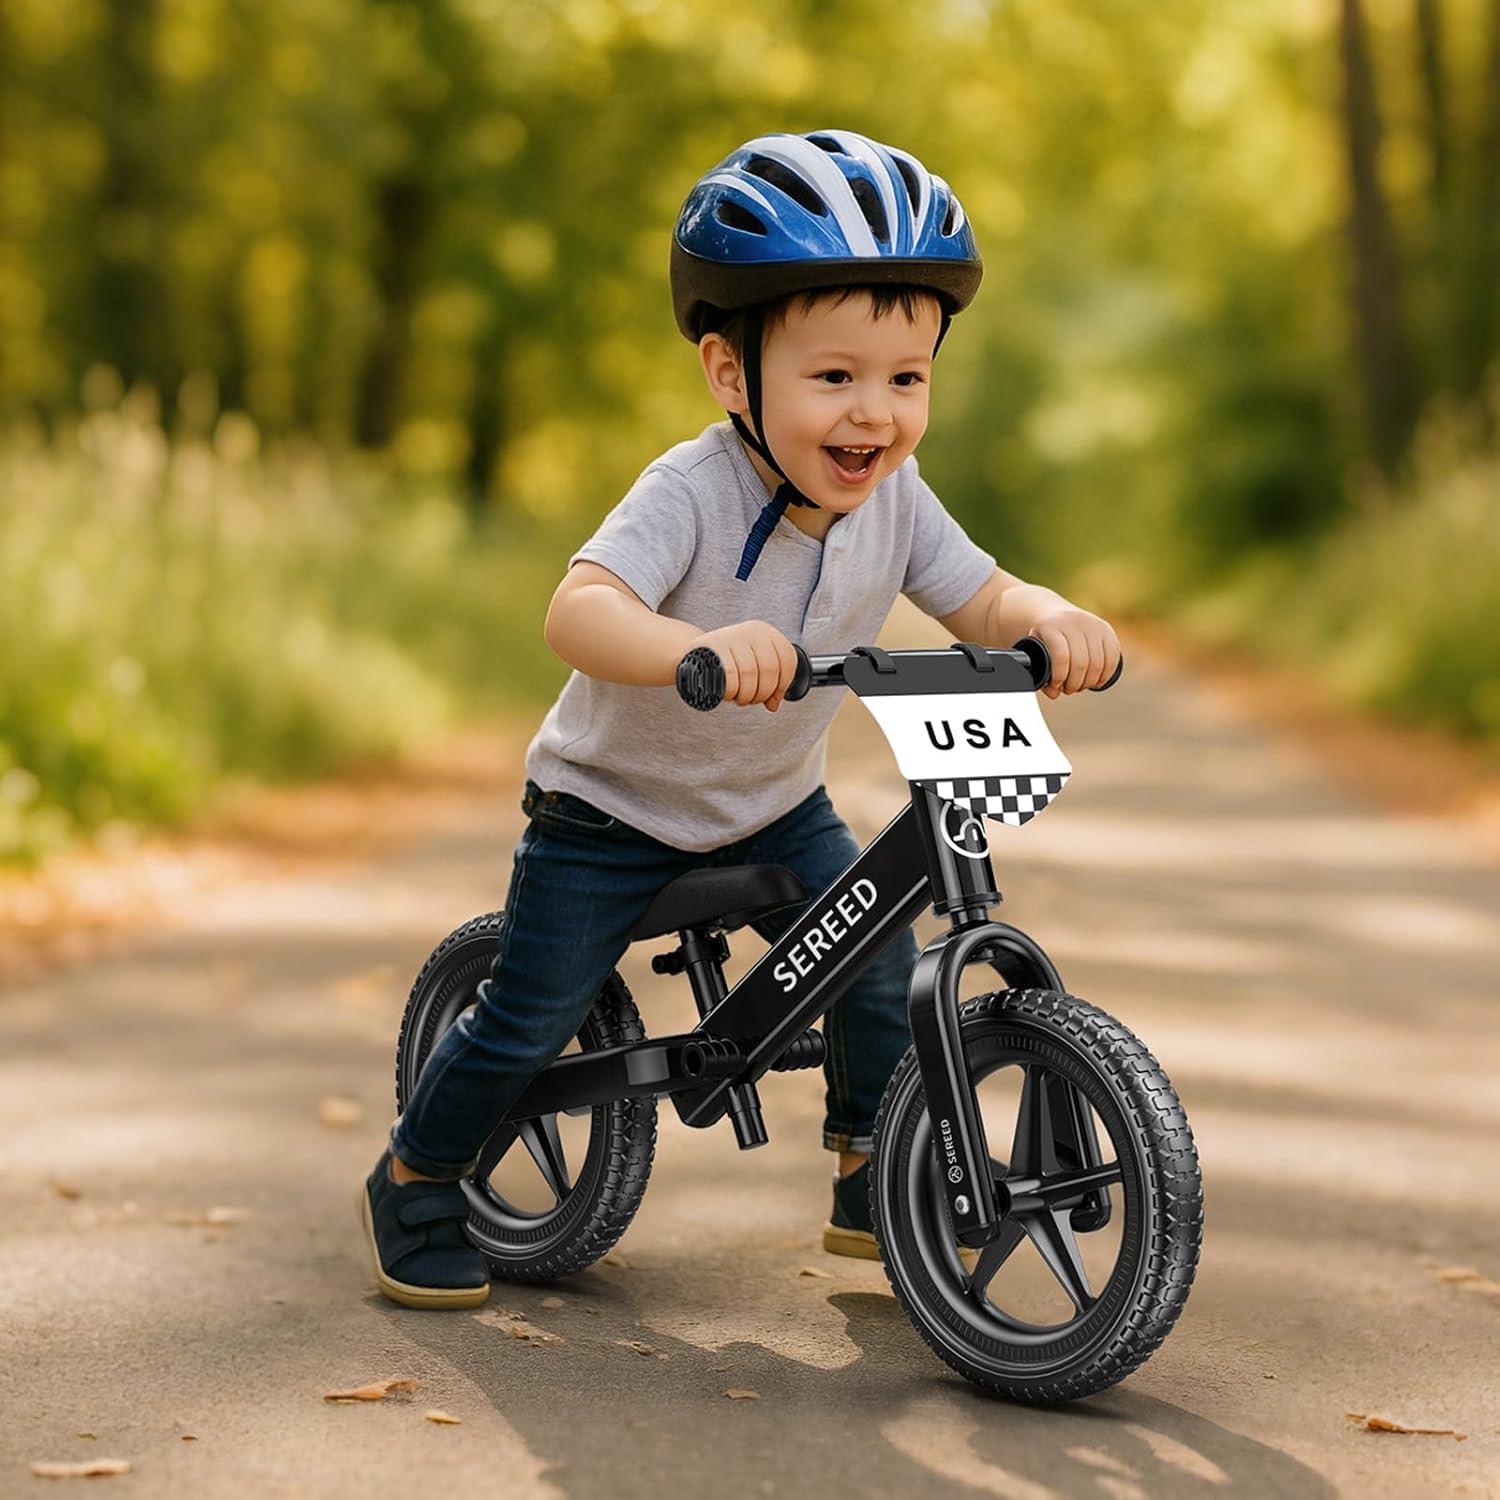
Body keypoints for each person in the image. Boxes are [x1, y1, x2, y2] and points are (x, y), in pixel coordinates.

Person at [360, 128, 1121, 1308]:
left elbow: (982, 593)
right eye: (834, 377)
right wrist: (693, 649)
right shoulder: (690, 491)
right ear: (732, 373)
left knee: (880, 958)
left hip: (769, 806)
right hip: (608, 811)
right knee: (528, 1020)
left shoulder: (897, 499)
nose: (875, 413)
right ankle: (416, 1174)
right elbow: (581, 610)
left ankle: (875, 1170)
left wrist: (1051, 614)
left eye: (905, 379)